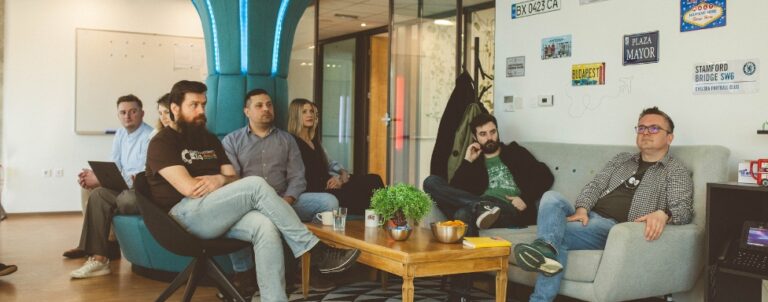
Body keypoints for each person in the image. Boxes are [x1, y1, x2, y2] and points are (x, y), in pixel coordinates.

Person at [146, 80, 359, 302]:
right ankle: (316, 251)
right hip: (183, 216)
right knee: (255, 184)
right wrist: (223, 181)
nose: (201, 111)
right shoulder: (162, 142)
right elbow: (190, 188)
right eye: (194, 105)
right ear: (174, 108)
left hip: (215, 211)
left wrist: (219, 179)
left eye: (203, 104)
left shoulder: (208, 139)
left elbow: (232, 177)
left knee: (264, 226)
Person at [513, 107, 693, 302]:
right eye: (641, 128)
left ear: (670, 137)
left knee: (559, 236)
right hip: (587, 218)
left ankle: (543, 262)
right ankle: (546, 247)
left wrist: (664, 213)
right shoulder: (622, 160)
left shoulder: (675, 171)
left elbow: (684, 210)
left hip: (614, 228)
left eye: (654, 128)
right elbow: (596, 185)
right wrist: (582, 208)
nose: (646, 133)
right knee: (551, 198)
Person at [424, 113, 554, 236]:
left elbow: (545, 176)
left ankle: (483, 207)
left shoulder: (515, 152)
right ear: (475, 137)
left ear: (497, 131)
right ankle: (481, 206)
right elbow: (454, 191)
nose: (489, 138)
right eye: (483, 134)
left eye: (493, 132)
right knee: (431, 182)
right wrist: (467, 161)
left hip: (507, 208)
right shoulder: (475, 162)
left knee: (462, 213)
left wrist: (525, 199)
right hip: (482, 211)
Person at [68, 94, 154, 279]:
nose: (127, 116)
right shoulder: (121, 133)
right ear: (118, 115)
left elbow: (140, 177)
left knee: (109, 194)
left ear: (142, 113)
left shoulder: (150, 136)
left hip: (138, 189)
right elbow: (114, 165)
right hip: (123, 185)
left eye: (133, 111)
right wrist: (95, 175)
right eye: (123, 112)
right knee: (89, 188)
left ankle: (101, 246)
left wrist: (100, 180)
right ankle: (95, 247)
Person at [222, 90, 337, 223]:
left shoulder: (287, 139)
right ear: (247, 112)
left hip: (285, 200)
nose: (266, 109)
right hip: (251, 206)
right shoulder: (232, 141)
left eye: (269, 105)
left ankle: (307, 239)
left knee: (329, 202)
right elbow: (233, 181)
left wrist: (286, 202)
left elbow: (297, 177)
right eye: (259, 105)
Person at [286, 98, 384, 215]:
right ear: (295, 115)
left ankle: (388, 217)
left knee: (374, 179)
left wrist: (338, 179)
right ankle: (375, 219)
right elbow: (301, 176)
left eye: (311, 111)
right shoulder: (291, 141)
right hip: (317, 190)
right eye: (304, 112)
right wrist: (332, 183)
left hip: (330, 182)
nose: (310, 115)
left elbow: (327, 166)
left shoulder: (314, 141)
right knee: (359, 195)